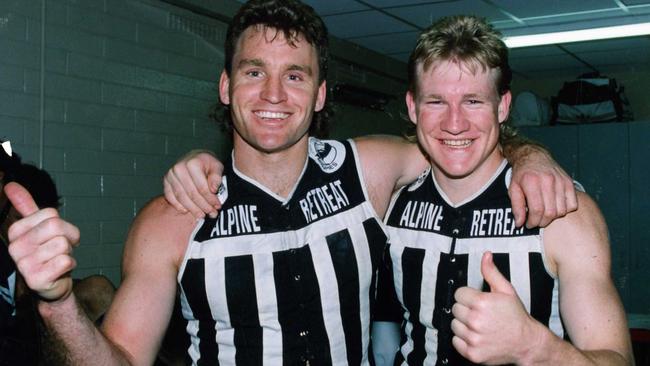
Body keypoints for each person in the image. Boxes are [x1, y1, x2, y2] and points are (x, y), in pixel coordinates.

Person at [5, 1, 576, 365]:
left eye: (295, 76)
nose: (274, 95)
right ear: (227, 86)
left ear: (321, 95)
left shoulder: (368, 170)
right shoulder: (174, 216)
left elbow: (462, 142)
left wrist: (532, 155)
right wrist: (58, 304)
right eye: (255, 72)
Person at [376, 15, 632, 365]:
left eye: (473, 101)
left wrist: (534, 347)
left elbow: (618, 359)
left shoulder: (562, 213)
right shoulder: (390, 202)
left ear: (503, 107)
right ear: (412, 107)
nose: (454, 124)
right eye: (436, 101)